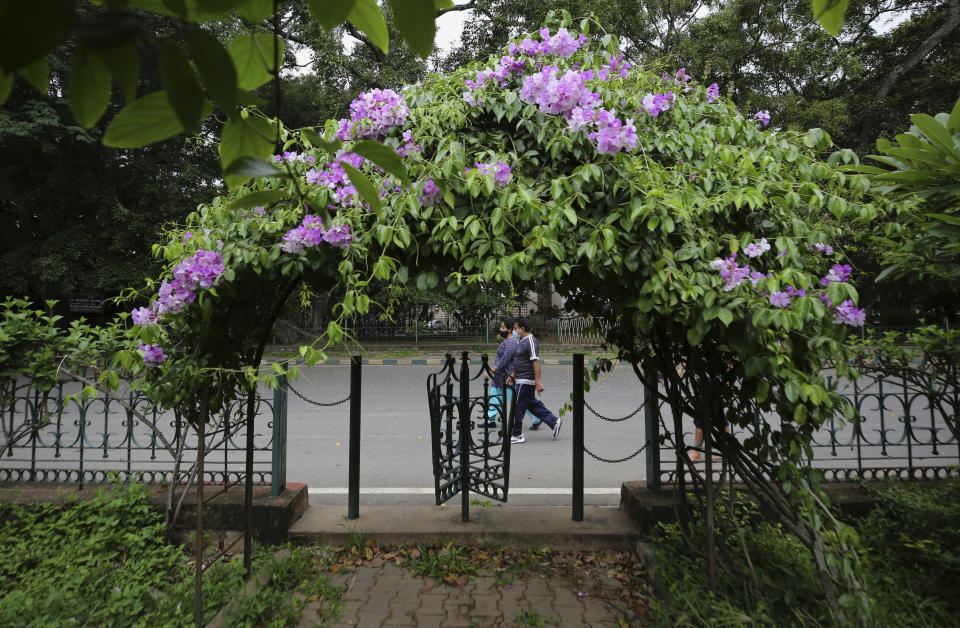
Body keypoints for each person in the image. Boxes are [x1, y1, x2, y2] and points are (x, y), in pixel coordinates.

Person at [508, 317, 562, 444]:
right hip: (520, 379)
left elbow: (535, 361)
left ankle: (517, 435)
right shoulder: (521, 340)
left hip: (526, 381)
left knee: (517, 407)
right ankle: (554, 421)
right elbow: (520, 361)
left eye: (516, 329)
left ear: (523, 329)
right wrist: (512, 375)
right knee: (531, 404)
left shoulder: (531, 341)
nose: (514, 331)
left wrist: (537, 381)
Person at [485, 317, 536, 428]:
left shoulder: (512, 342)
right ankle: (490, 420)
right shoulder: (508, 341)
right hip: (500, 377)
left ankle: (536, 418)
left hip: (507, 376)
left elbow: (505, 358)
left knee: (518, 400)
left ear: (509, 329)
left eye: (502, 327)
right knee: (494, 396)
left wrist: (493, 369)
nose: (500, 329)